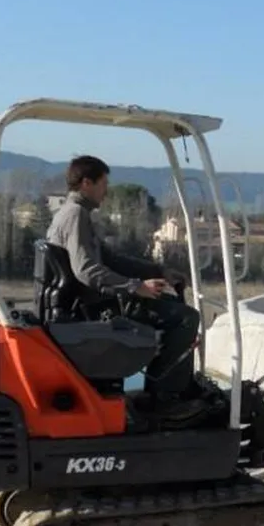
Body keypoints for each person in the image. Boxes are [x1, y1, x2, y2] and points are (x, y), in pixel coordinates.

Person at [46, 155, 208, 422]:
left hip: (89, 303)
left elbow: (110, 259)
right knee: (185, 317)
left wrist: (157, 272)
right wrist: (135, 288)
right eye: (103, 184)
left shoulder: (72, 213)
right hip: (94, 309)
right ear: (87, 183)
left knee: (175, 310)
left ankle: (168, 389)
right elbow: (87, 271)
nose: (106, 191)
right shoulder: (76, 216)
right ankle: (165, 401)